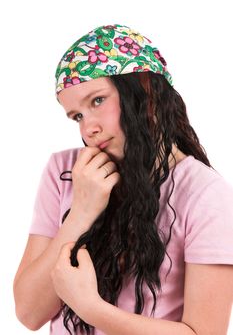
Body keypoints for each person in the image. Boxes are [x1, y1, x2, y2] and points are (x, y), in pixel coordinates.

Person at [13, 24, 233, 335]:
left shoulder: (205, 194)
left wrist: (91, 308)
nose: (87, 128)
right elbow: (29, 313)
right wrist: (82, 213)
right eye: (77, 116)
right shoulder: (63, 171)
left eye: (97, 101)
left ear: (144, 88)